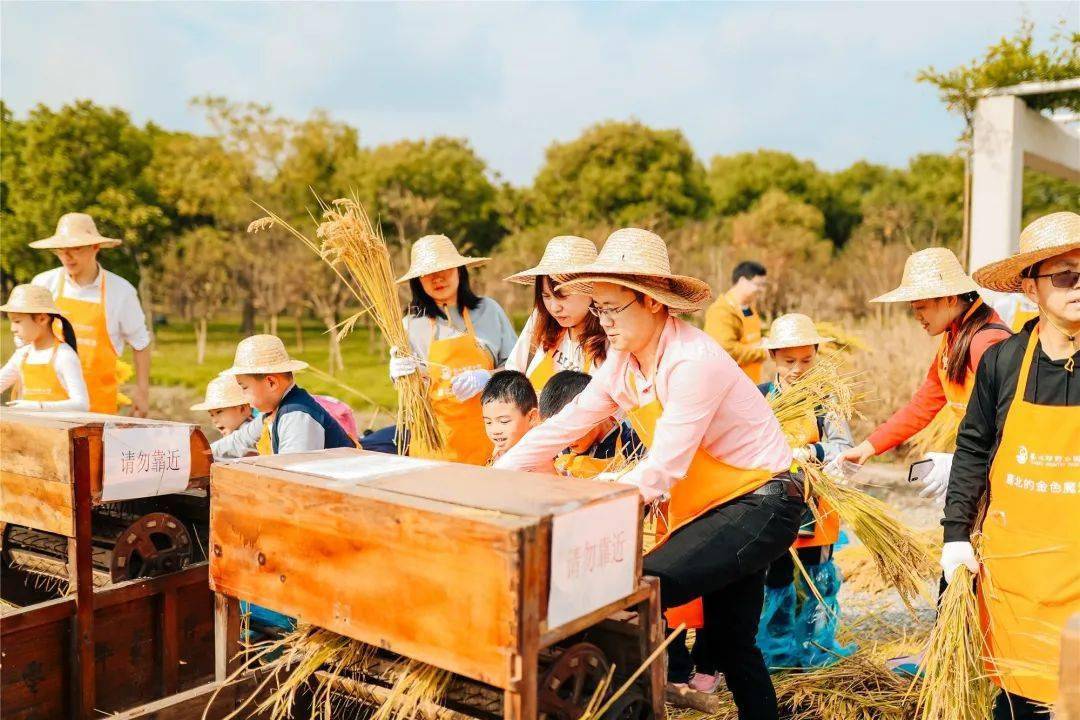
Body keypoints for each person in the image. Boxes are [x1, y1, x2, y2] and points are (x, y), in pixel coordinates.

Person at [495, 228, 803, 719]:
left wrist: (581, 499)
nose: (605, 322)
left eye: (613, 309)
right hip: (719, 507)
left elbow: (662, 469)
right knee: (732, 642)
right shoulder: (625, 359)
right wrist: (500, 471)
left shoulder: (691, 362)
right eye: (598, 309)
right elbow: (573, 419)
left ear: (654, 303)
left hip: (764, 503)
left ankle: (628, 705)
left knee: (641, 585)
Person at [943, 211, 1079, 720]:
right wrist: (955, 534)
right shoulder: (1004, 362)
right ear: (1030, 288)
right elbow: (974, 449)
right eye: (1065, 275)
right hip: (1018, 578)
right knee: (1021, 701)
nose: (1078, 286)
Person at [839, 248, 1011, 504]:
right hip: (981, 461)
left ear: (950, 299)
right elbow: (923, 405)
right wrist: (869, 447)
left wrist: (962, 463)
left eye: (922, 307)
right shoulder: (953, 337)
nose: (917, 316)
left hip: (1000, 468)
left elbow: (1011, 423)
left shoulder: (987, 342)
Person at [755, 313, 855, 670]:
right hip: (772, 503)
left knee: (816, 578)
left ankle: (814, 650)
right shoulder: (761, 398)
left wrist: (815, 452)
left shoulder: (825, 400)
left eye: (807, 360)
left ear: (816, 354)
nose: (798, 369)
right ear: (773, 358)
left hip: (817, 503)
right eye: (789, 361)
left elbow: (844, 446)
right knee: (775, 575)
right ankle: (776, 653)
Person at [385, 234, 517, 465]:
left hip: (488, 442)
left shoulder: (488, 310)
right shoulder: (410, 324)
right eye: (428, 273)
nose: (438, 278)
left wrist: (487, 377)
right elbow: (411, 389)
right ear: (417, 281)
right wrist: (399, 375)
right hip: (434, 444)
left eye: (445, 269)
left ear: (460, 270)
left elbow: (517, 366)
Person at [28, 212, 152, 416]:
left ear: (95, 247)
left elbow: (140, 343)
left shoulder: (120, 291)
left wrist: (142, 391)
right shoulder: (42, 285)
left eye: (75, 249)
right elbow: (24, 342)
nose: (66, 257)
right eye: (61, 250)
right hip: (41, 404)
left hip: (96, 409)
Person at [210, 335, 355, 458]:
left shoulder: (296, 416)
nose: (243, 395)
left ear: (271, 383)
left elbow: (292, 474)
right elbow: (239, 440)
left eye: (244, 387)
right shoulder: (272, 413)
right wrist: (204, 452)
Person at [504, 235, 607, 390]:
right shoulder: (539, 322)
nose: (554, 307)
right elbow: (513, 377)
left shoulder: (612, 338)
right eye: (546, 296)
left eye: (562, 296)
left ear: (591, 291)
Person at [538, 370, 642, 479]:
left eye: (571, 427)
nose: (567, 439)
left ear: (595, 408)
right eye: (559, 431)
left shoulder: (634, 445)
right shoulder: (559, 449)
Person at [0, 284, 89, 412]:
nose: (12, 329)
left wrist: (39, 406)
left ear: (42, 319)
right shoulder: (23, 354)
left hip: (58, 431)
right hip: (30, 430)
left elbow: (82, 404)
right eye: (11, 322)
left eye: (17, 321)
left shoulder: (64, 355)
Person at [705, 260, 768, 383]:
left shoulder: (749, 308)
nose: (761, 290)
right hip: (731, 387)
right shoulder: (721, 311)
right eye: (758, 284)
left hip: (752, 382)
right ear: (743, 281)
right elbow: (727, 351)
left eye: (764, 285)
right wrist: (763, 351)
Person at [480, 370, 540, 463]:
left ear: (532, 417)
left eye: (504, 421)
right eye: (488, 422)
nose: (495, 431)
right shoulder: (501, 452)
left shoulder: (536, 458)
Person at [190, 374, 255, 439]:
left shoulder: (249, 433)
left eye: (218, 412)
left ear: (242, 409)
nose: (214, 420)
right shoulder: (237, 433)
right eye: (212, 415)